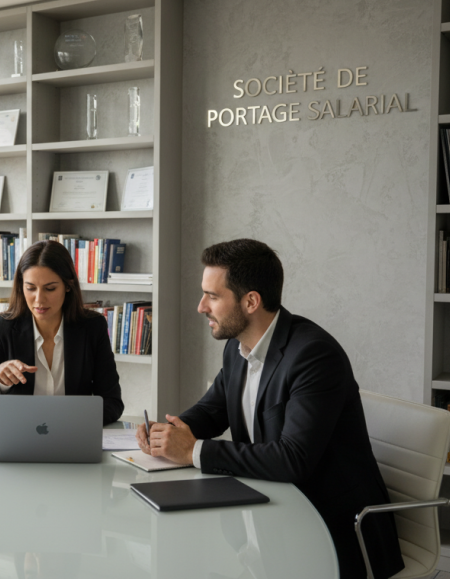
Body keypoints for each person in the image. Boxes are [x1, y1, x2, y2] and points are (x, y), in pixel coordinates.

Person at [135, 239, 404, 579]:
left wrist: (192, 450)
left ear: (251, 301)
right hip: (267, 516)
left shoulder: (313, 356)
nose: (201, 306)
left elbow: (293, 459)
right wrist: (170, 432)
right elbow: (211, 411)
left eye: (212, 296)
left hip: (330, 527)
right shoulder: (238, 348)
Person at [0, 240, 123, 425]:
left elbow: (113, 403)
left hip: (73, 438)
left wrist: (67, 422)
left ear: (68, 286)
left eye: (50, 288)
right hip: (18, 441)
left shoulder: (92, 327)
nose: (39, 299)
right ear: (21, 287)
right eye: (30, 288)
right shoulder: (1, 328)